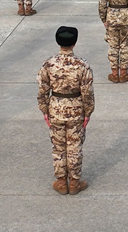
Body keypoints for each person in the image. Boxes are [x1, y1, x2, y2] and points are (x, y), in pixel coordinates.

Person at [37, 26, 95, 195]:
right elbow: (87, 92)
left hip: (55, 106)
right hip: (76, 107)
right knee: (75, 146)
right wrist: (88, 112)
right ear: (74, 43)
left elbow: (42, 89)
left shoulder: (48, 64)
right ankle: (75, 182)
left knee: (58, 146)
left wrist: (44, 110)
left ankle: (61, 182)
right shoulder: (82, 64)